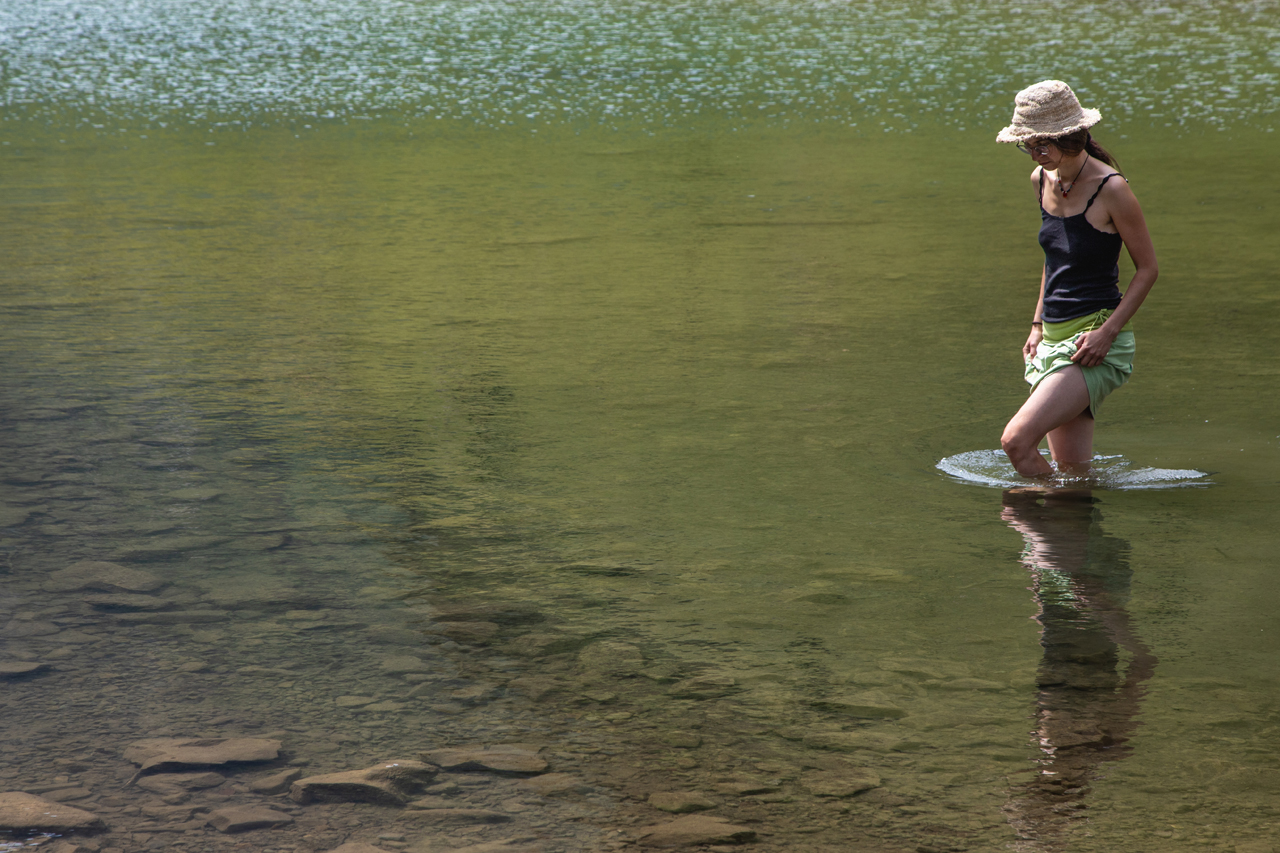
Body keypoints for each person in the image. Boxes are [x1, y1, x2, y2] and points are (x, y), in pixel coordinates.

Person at [995, 80, 1158, 478]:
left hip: (1094, 340)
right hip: (1052, 338)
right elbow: (1054, 260)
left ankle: (1029, 516)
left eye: (1042, 145)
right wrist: (1037, 324)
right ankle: (1064, 534)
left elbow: (1148, 269)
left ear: (1072, 136)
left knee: (1015, 441)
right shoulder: (1041, 180)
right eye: (1027, 145)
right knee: (1072, 472)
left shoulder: (1111, 188)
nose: (1034, 155)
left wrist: (1108, 333)